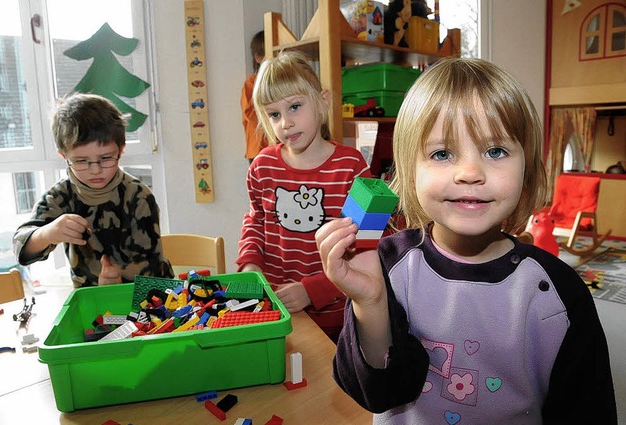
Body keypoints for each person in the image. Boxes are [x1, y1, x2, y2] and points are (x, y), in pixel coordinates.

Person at [315, 58, 617, 423]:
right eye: (442, 153)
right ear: (410, 174)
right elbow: (380, 394)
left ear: (528, 170)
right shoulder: (386, 268)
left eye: (495, 151)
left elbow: (589, 410)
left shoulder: (558, 292)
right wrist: (370, 302)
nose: (471, 173)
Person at [236, 51, 372, 342]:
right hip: (275, 312)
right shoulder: (262, 166)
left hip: (336, 321)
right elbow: (255, 221)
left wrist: (313, 290)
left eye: (295, 106)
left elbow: (370, 249)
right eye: (274, 114)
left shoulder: (354, 167)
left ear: (323, 101)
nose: (285, 122)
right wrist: (250, 264)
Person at [13, 93, 174, 287]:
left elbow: (152, 273)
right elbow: (21, 249)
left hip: (145, 300)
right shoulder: (60, 197)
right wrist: (48, 233)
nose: (95, 170)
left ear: (121, 150)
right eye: (81, 161)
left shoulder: (138, 196)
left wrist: (113, 283)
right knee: (99, 319)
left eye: (105, 158)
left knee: (120, 316)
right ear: (64, 156)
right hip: (92, 301)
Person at [241, 30, 268, 163]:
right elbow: (250, 114)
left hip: (279, 147)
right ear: (258, 58)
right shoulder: (252, 83)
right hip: (258, 149)